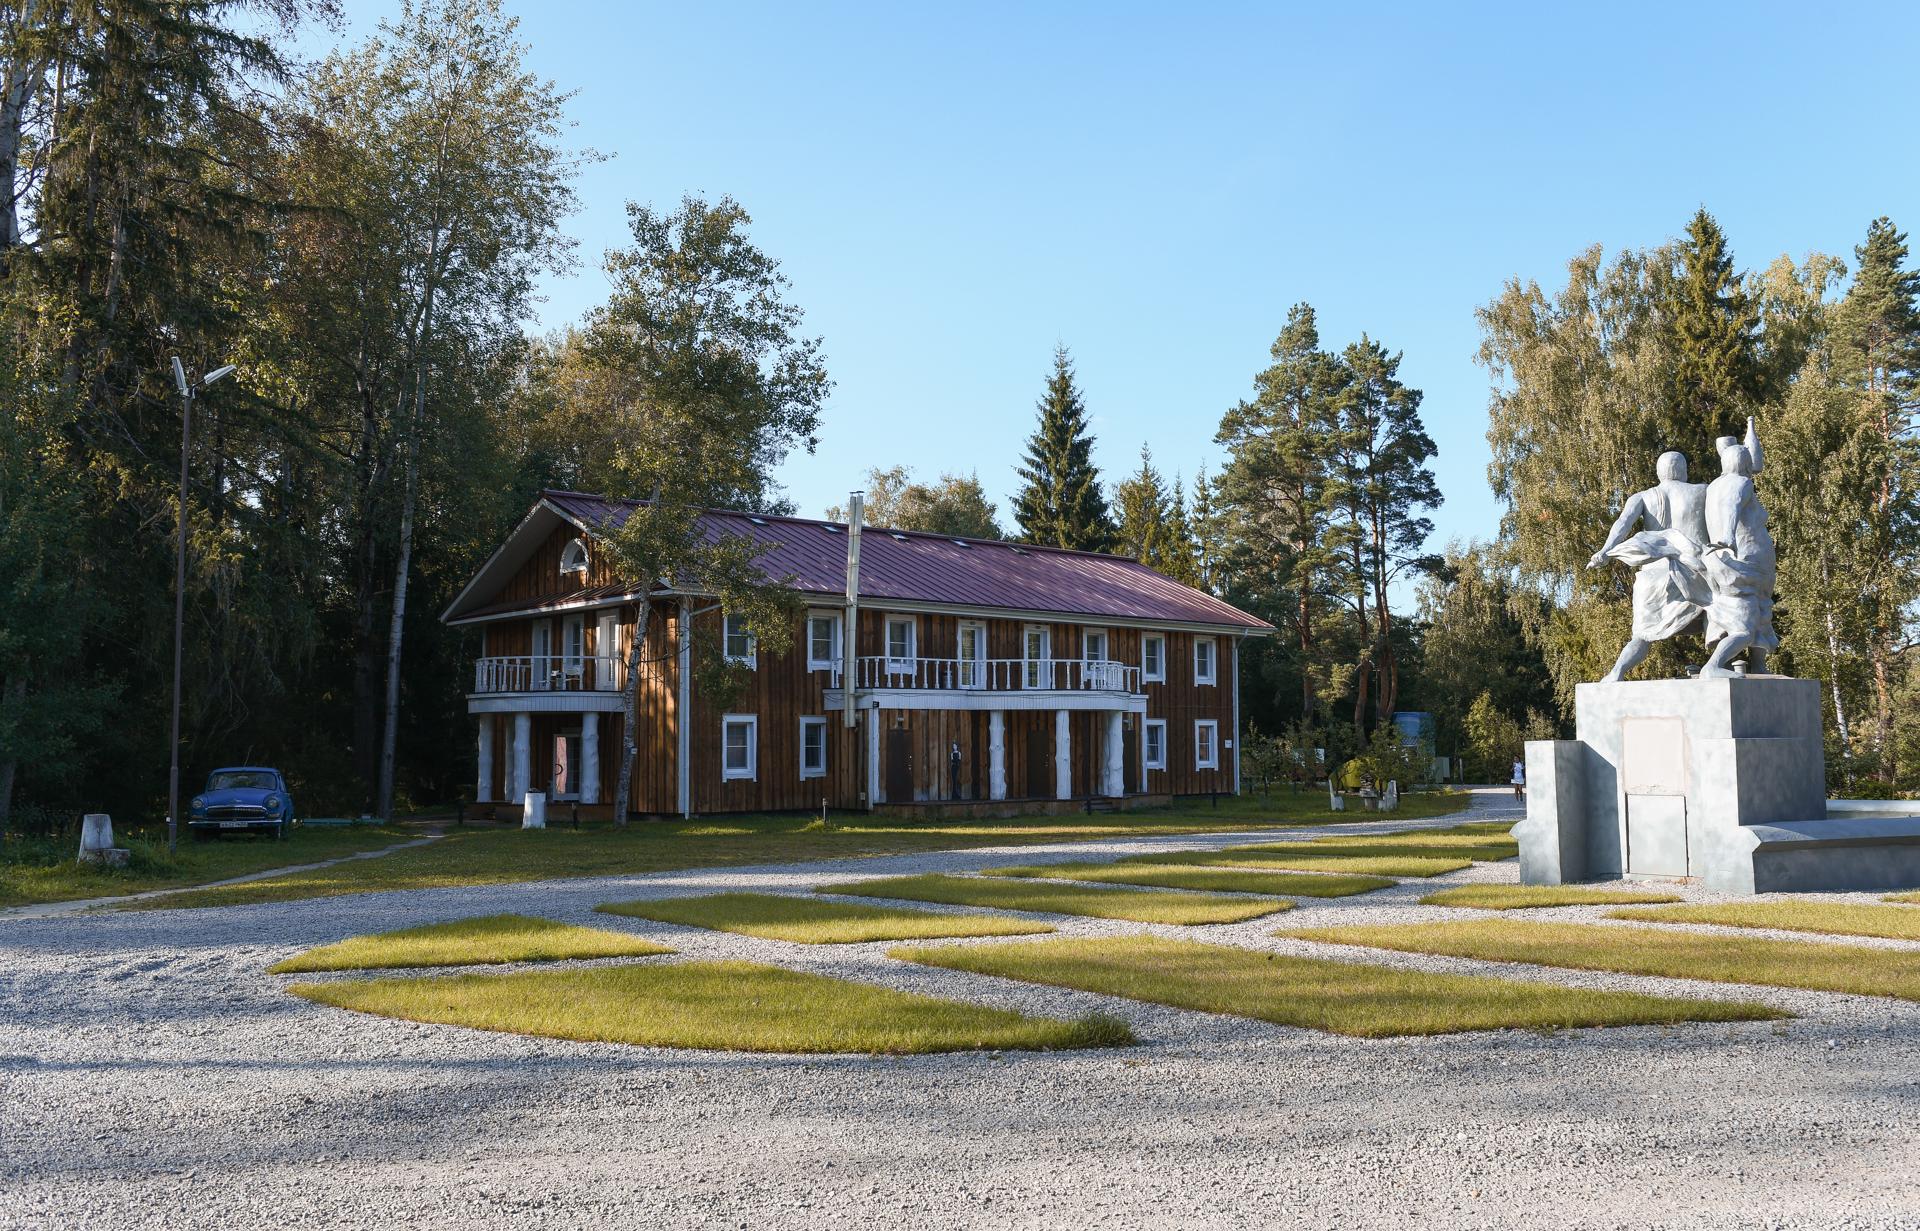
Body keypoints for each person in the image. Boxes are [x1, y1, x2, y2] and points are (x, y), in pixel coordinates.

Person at [1587, 450, 1711, 681]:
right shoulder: (1703, 491)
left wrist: (1605, 551)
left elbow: (1622, 524)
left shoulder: (1643, 497)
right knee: (1714, 613)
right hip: (1696, 571)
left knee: (1642, 636)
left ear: (1659, 472)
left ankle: (1617, 673)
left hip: (1655, 577)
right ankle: (1725, 664)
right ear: (1683, 470)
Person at [1700, 422, 1778, 678]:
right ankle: (1713, 667)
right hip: (1745, 558)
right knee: (1749, 612)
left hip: (1735, 557)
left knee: (1757, 608)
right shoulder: (1740, 483)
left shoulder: (1713, 486)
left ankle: (1758, 665)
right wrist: (1727, 537)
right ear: (1743, 464)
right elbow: (1732, 505)